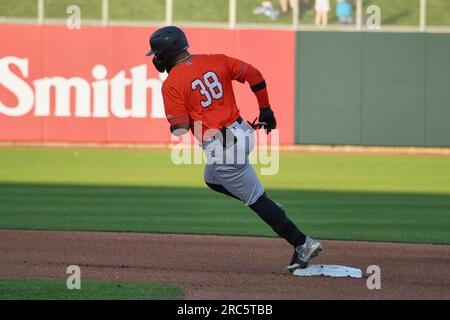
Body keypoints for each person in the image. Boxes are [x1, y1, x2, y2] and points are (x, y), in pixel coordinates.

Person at [146, 26, 322, 272]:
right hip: (242, 132)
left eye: (156, 53)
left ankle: (302, 243)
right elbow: (255, 75)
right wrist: (265, 109)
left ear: (164, 53)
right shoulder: (216, 60)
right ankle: (268, 206)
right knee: (212, 179)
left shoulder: (171, 83)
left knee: (256, 200)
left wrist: (179, 119)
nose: (155, 57)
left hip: (223, 145)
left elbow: (180, 128)